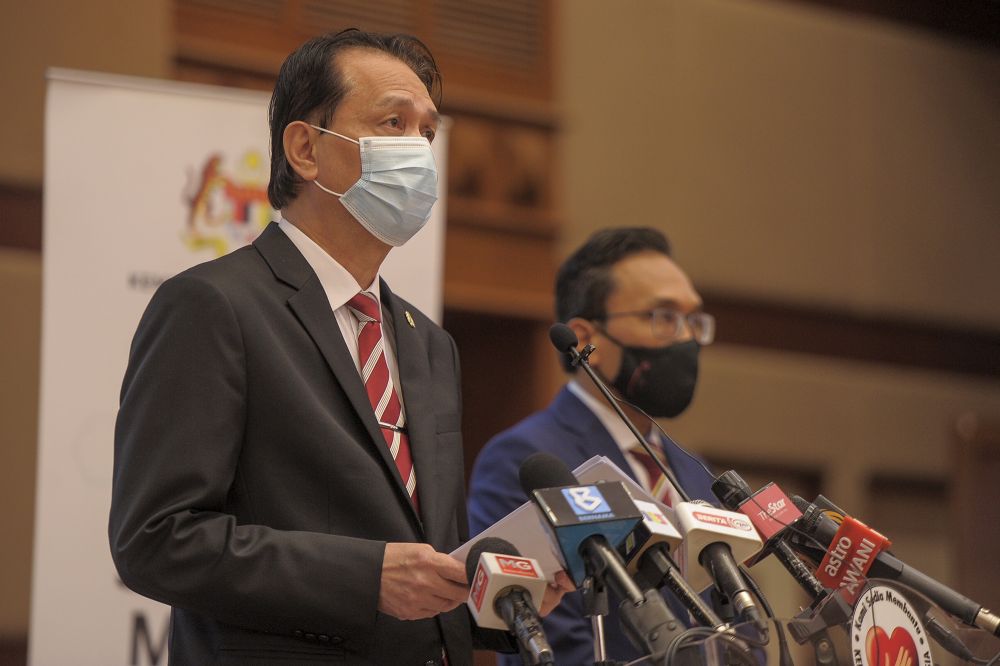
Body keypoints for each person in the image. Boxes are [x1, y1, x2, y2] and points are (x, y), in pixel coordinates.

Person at [109, 29, 569, 666]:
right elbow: (156, 540)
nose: (419, 151)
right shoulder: (215, 307)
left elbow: (426, 569)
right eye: (392, 123)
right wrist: (365, 577)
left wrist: (506, 601)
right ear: (305, 148)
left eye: (427, 133)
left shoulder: (428, 344)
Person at [468, 227, 720, 665]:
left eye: (694, 321)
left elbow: (737, 625)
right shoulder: (525, 459)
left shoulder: (699, 474)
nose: (686, 339)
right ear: (586, 340)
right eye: (662, 317)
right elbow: (547, 637)